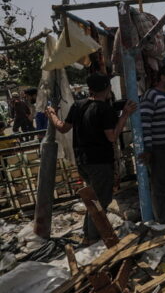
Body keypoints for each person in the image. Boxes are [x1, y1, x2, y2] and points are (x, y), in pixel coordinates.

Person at [46, 73, 136, 244]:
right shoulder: (104, 109)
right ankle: (93, 237)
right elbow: (112, 136)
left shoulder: (78, 105)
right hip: (99, 162)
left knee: (93, 198)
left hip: (83, 161)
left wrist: (52, 115)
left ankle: (89, 234)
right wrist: (125, 115)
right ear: (107, 88)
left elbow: (63, 128)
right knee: (100, 200)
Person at [140, 66, 165, 224]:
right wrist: (149, 149)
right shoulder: (151, 95)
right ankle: (161, 218)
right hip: (160, 149)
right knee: (160, 185)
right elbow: (145, 123)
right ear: (163, 77)